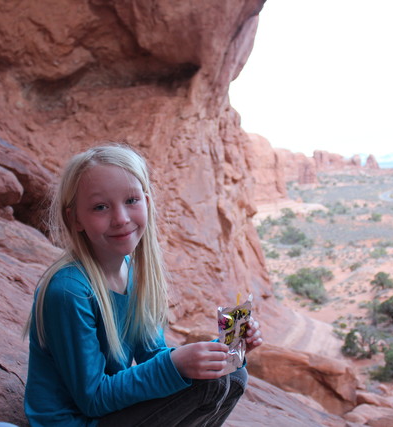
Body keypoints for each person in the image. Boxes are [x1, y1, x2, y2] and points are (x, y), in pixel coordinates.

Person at [23, 144, 262, 426]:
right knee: (210, 385)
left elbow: (151, 355)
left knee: (232, 375)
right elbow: (93, 397)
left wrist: (222, 349)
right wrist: (176, 364)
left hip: (105, 414)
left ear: (147, 202)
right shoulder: (69, 291)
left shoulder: (133, 274)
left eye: (131, 201)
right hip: (76, 420)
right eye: (101, 207)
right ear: (75, 218)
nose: (121, 218)